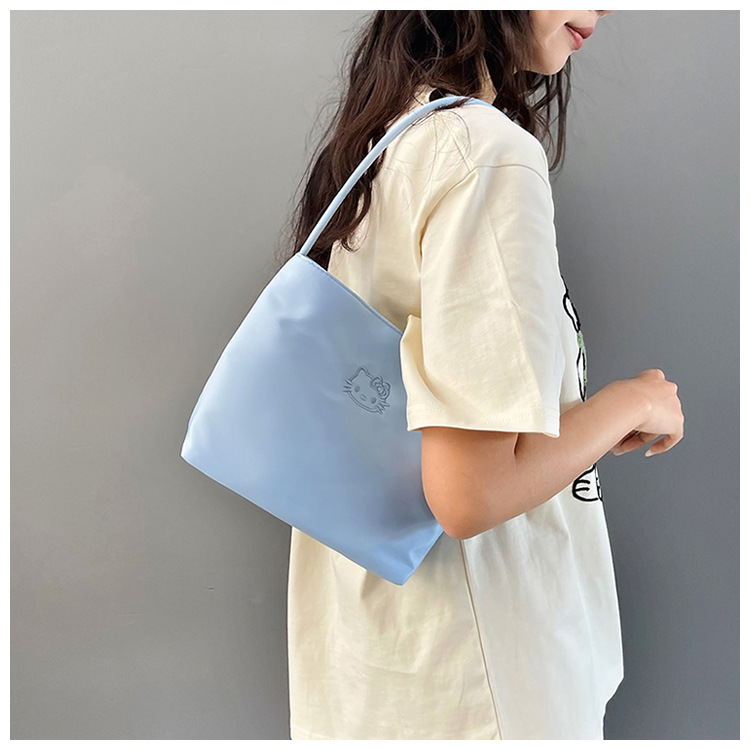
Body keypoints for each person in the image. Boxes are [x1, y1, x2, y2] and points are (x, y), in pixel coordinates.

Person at [282, 10, 684, 741]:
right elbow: (471, 493)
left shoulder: (393, 134)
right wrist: (628, 404)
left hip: (384, 655)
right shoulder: (487, 156)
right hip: (483, 675)